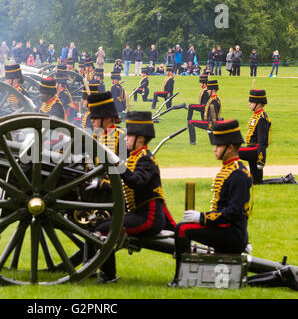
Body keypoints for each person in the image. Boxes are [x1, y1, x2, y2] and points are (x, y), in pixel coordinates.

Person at [90, 111, 176, 283]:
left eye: (130, 136)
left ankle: (108, 275)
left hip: (148, 219)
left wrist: (118, 166)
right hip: (139, 215)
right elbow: (124, 187)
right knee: (99, 225)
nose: (126, 138)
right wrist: (102, 184)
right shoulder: (135, 158)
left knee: (102, 231)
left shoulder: (145, 160)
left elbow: (136, 182)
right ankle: (101, 271)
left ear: (141, 139)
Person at [168, 119, 252, 287]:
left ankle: (180, 278)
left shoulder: (238, 174)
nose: (214, 148)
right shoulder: (230, 169)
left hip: (232, 233)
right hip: (228, 229)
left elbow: (233, 212)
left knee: (182, 229)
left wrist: (201, 218)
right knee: (183, 226)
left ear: (229, 148)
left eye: (218, 145)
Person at [238, 90, 296, 185]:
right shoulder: (256, 116)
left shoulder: (262, 118)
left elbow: (262, 141)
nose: (249, 104)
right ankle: (286, 180)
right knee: (257, 182)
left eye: (252, 102)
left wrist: (261, 159)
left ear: (259, 104)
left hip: (256, 150)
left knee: (231, 151)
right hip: (251, 148)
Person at [187, 79, 222, 145]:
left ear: (213, 90)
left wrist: (210, 127)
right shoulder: (214, 99)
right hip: (210, 122)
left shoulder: (213, 101)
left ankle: (192, 142)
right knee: (213, 143)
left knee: (190, 122)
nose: (208, 91)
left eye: (209, 90)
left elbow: (213, 116)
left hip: (209, 123)